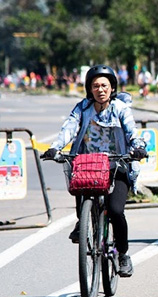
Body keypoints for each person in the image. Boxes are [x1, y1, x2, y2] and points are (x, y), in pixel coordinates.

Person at [40, 65, 148, 277]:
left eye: (104, 86)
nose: (100, 90)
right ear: (89, 89)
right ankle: (83, 220)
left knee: (116, 211)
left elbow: (133, 132)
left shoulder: (120, 109)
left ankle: (123, 254)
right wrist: (55, 147)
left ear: (112, 88)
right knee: (79, 184)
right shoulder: (82, 108)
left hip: (118, 165)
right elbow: (69, 128)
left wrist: (138, 148)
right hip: (88, 166)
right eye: (95, 86)